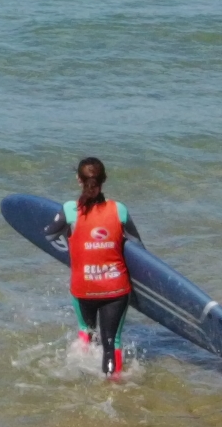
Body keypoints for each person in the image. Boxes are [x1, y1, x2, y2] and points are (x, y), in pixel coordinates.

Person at [62, 156, 142, 381]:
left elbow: (49, 234)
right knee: (112, 343)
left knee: (86, 332)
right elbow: (138, 247)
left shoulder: (70, 210)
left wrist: (73, 250)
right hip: (115, 289)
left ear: (79, 180)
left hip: (83, 287)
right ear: (104, 179)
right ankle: (113, 387)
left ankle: (77, 375)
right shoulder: (119, 210)